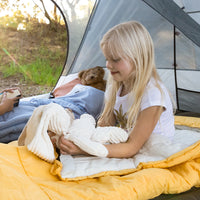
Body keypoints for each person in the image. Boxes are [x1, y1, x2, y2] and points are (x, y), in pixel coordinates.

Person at [56, 21, 175, 158]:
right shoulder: (118, 86)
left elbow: (132, 147)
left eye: (115, 60)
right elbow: (104, 127)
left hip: (152, 150)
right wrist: (75, 137)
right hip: (129, 144)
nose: (108, 65)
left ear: (139, 58)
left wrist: (83, 149)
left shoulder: (152, 95)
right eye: (107, 59)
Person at [0, 84, 104, 143]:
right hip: (23, 118)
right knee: (90, 96)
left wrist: (3, 97)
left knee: (84, 94)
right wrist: (2, 107)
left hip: (28, 108)